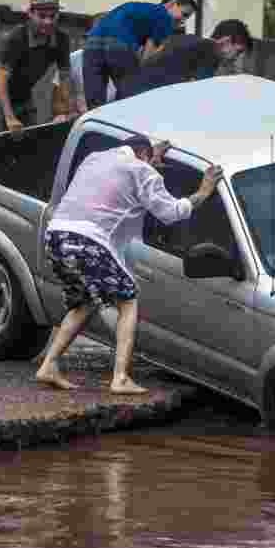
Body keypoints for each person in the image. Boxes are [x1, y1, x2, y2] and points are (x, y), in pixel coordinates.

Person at [35, 135, 222, 393]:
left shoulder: (94, 158)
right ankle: (120, 378)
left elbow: (116, 181)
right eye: (151, 160)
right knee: (128, 298)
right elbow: (170, 213)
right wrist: (203, 192)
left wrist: (150, 159)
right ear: (144, 154)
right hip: (89, 241)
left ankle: (49, 365)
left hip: (56, 236)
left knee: (85, 302)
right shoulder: (142, 170)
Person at [81, 0, 197, 108]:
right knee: (130, 96)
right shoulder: (164, 16)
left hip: (91, 43)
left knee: (95, 100)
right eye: (184, 14)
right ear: (172, 4)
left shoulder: (140, 9)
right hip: (119, 43)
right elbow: (148, 57)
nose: (183, 21)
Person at [0, 0, 72, 136]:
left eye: (52, 16)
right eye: (41, 16)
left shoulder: (61, 40)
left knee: (29, 136)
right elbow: (0, 80)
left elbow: (65, 77)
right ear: (30, 14)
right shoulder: (16, 38)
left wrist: (68, 109)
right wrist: (9, 117)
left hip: (23, 91)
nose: (48, 22)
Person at [118, 19, 252, 99]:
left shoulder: (187, 39)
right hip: (139, 99)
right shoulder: (210, 52)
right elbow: (198, 95)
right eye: (238, 51)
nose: (236, 58)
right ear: (226, 41)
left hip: (127, 91)